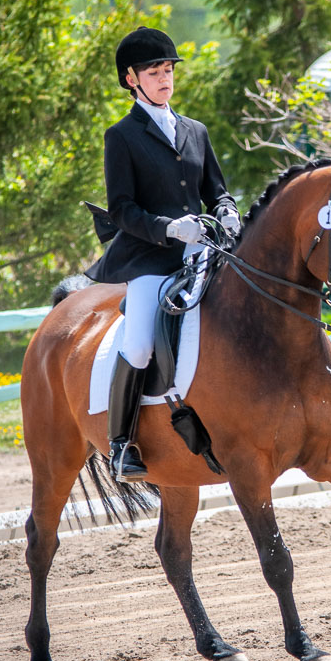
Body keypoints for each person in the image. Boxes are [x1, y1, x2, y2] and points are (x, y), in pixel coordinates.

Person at [85, 27, 240, 483]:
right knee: (138, 342)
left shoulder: (196, 130)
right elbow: (123, 209)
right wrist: (169, 228)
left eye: (168, 69)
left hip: (206, 251)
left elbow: (217, 190)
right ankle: (121, 444)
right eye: (154, 71)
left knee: (261, 296)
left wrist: (227, 211)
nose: (164, 78)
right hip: (152, 258)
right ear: (131, 79)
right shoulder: (122, 136)